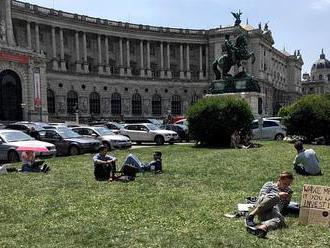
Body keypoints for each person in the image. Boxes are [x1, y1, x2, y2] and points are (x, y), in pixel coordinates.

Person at [245, 171, 294, 238]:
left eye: (289, 184)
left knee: (280, 219)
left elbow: (283, 206)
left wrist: (287, 200)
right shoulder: (269, 185)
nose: (287, 186)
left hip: (272, 211)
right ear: (279, 180)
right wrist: (278, 195)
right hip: (260, 208)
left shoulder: (288, 191)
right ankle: (251, 215)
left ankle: (261, 228)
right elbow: (261, 197)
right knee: (276, 197)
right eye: (285, 184)